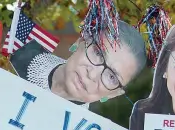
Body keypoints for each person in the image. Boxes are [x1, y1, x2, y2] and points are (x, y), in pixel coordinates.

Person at [11, 20, 147, 107]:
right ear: (81, 41)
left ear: (114, 93)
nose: (92, 74)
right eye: (98, 53)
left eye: (112, 77)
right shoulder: (15, 52)